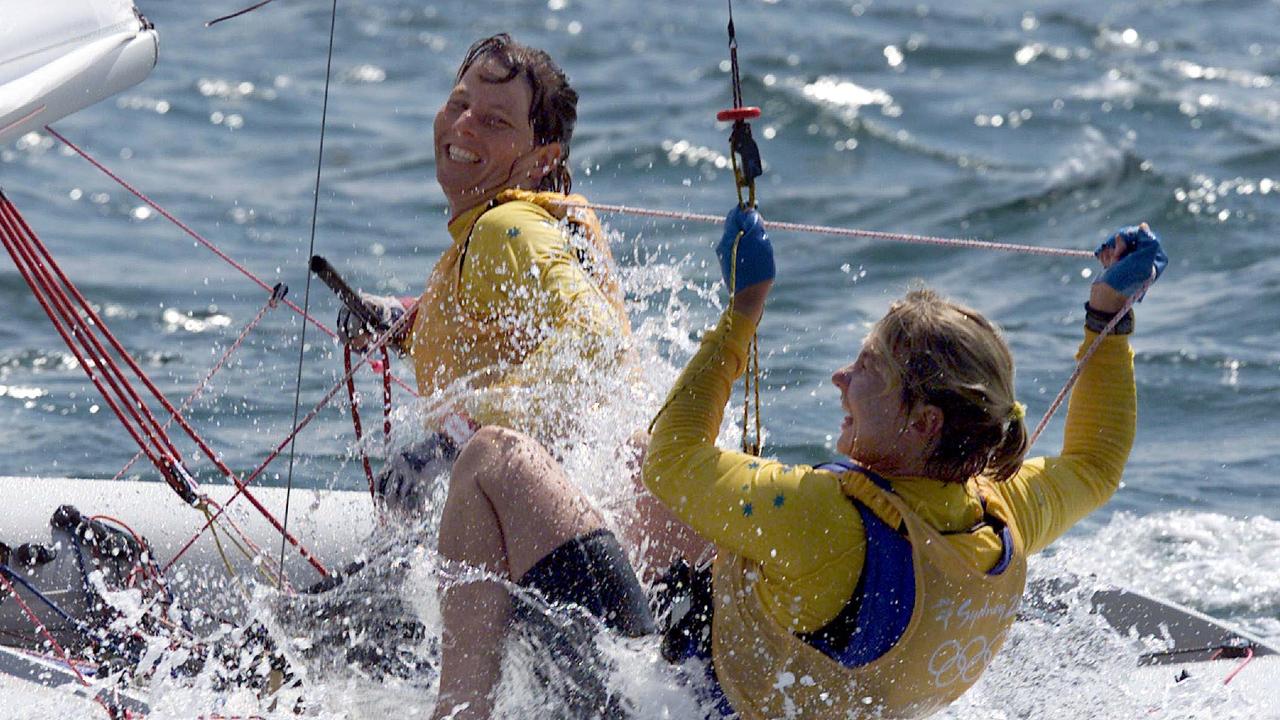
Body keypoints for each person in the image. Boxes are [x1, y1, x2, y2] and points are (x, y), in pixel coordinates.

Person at [638, 208, 1168, 718]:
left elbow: (670, 457)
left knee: (634, 455)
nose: (840, 378)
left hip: (696, 699)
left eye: (866, 367)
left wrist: (744, 308)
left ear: (923, 422)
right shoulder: (1000, 514)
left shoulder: (823, 518)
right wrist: (1108, 315)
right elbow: (1095, 465)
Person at [335, 33, 631, 510]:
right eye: (458, 104)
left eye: (495, 121)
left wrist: (457, 435)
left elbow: (594, 339)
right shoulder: (515, 228)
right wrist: (403, 319)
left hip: (551, 529)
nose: (465, 124)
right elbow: (506, 333)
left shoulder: (505, 227)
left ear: (543, 160)